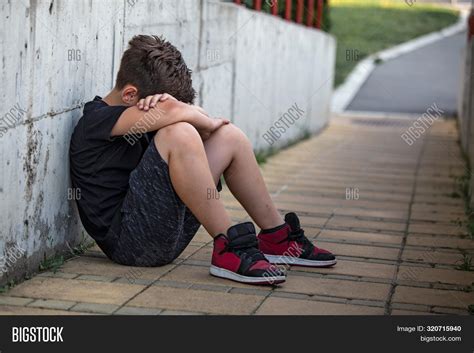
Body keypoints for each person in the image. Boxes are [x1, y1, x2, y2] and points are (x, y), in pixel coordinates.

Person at [69, 35, 336, 285]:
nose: (162, 109)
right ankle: (230, 245)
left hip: (168, 229)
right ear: (129, 95)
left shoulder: (141, 114)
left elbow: (179, 115)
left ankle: (277, 238)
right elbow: (175, 116)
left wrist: (189, 115)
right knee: (180, 132)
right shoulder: (95, 121)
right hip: (132, 245)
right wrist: (198, 118)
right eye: (156, 103)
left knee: (229, 136)